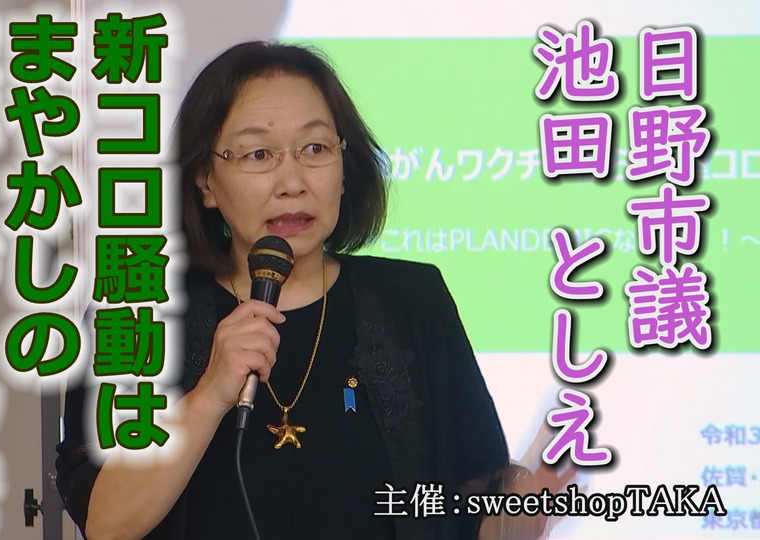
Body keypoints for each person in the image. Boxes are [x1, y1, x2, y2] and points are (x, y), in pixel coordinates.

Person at [56, 41, 566, 540]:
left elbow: (472, 511)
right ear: (206, 182)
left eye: (316, 148)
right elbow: (106, 523)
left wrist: (526, 508)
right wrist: (210, 393)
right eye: (259, 153)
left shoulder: (414, 300)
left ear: (344, 170)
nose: (293, 181)